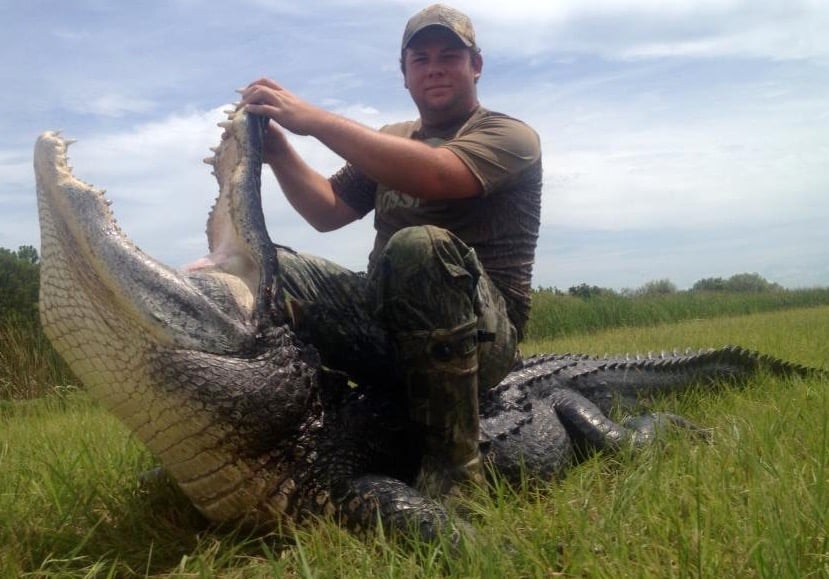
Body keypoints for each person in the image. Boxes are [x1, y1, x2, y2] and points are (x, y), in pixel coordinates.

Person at [237, 4, 542, 500]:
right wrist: (278, 152)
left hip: (483, 338)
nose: (435, 67)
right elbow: (328, 209)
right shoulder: (391, 140)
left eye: (450, 55)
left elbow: (439, 173)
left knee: (419, 246)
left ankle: (455, 470)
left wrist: (313, 121)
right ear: (405, 75)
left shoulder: (509, 136)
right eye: (420, 59)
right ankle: (283, 434)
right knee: (271, 269)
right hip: (387, 322)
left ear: (477, 65)